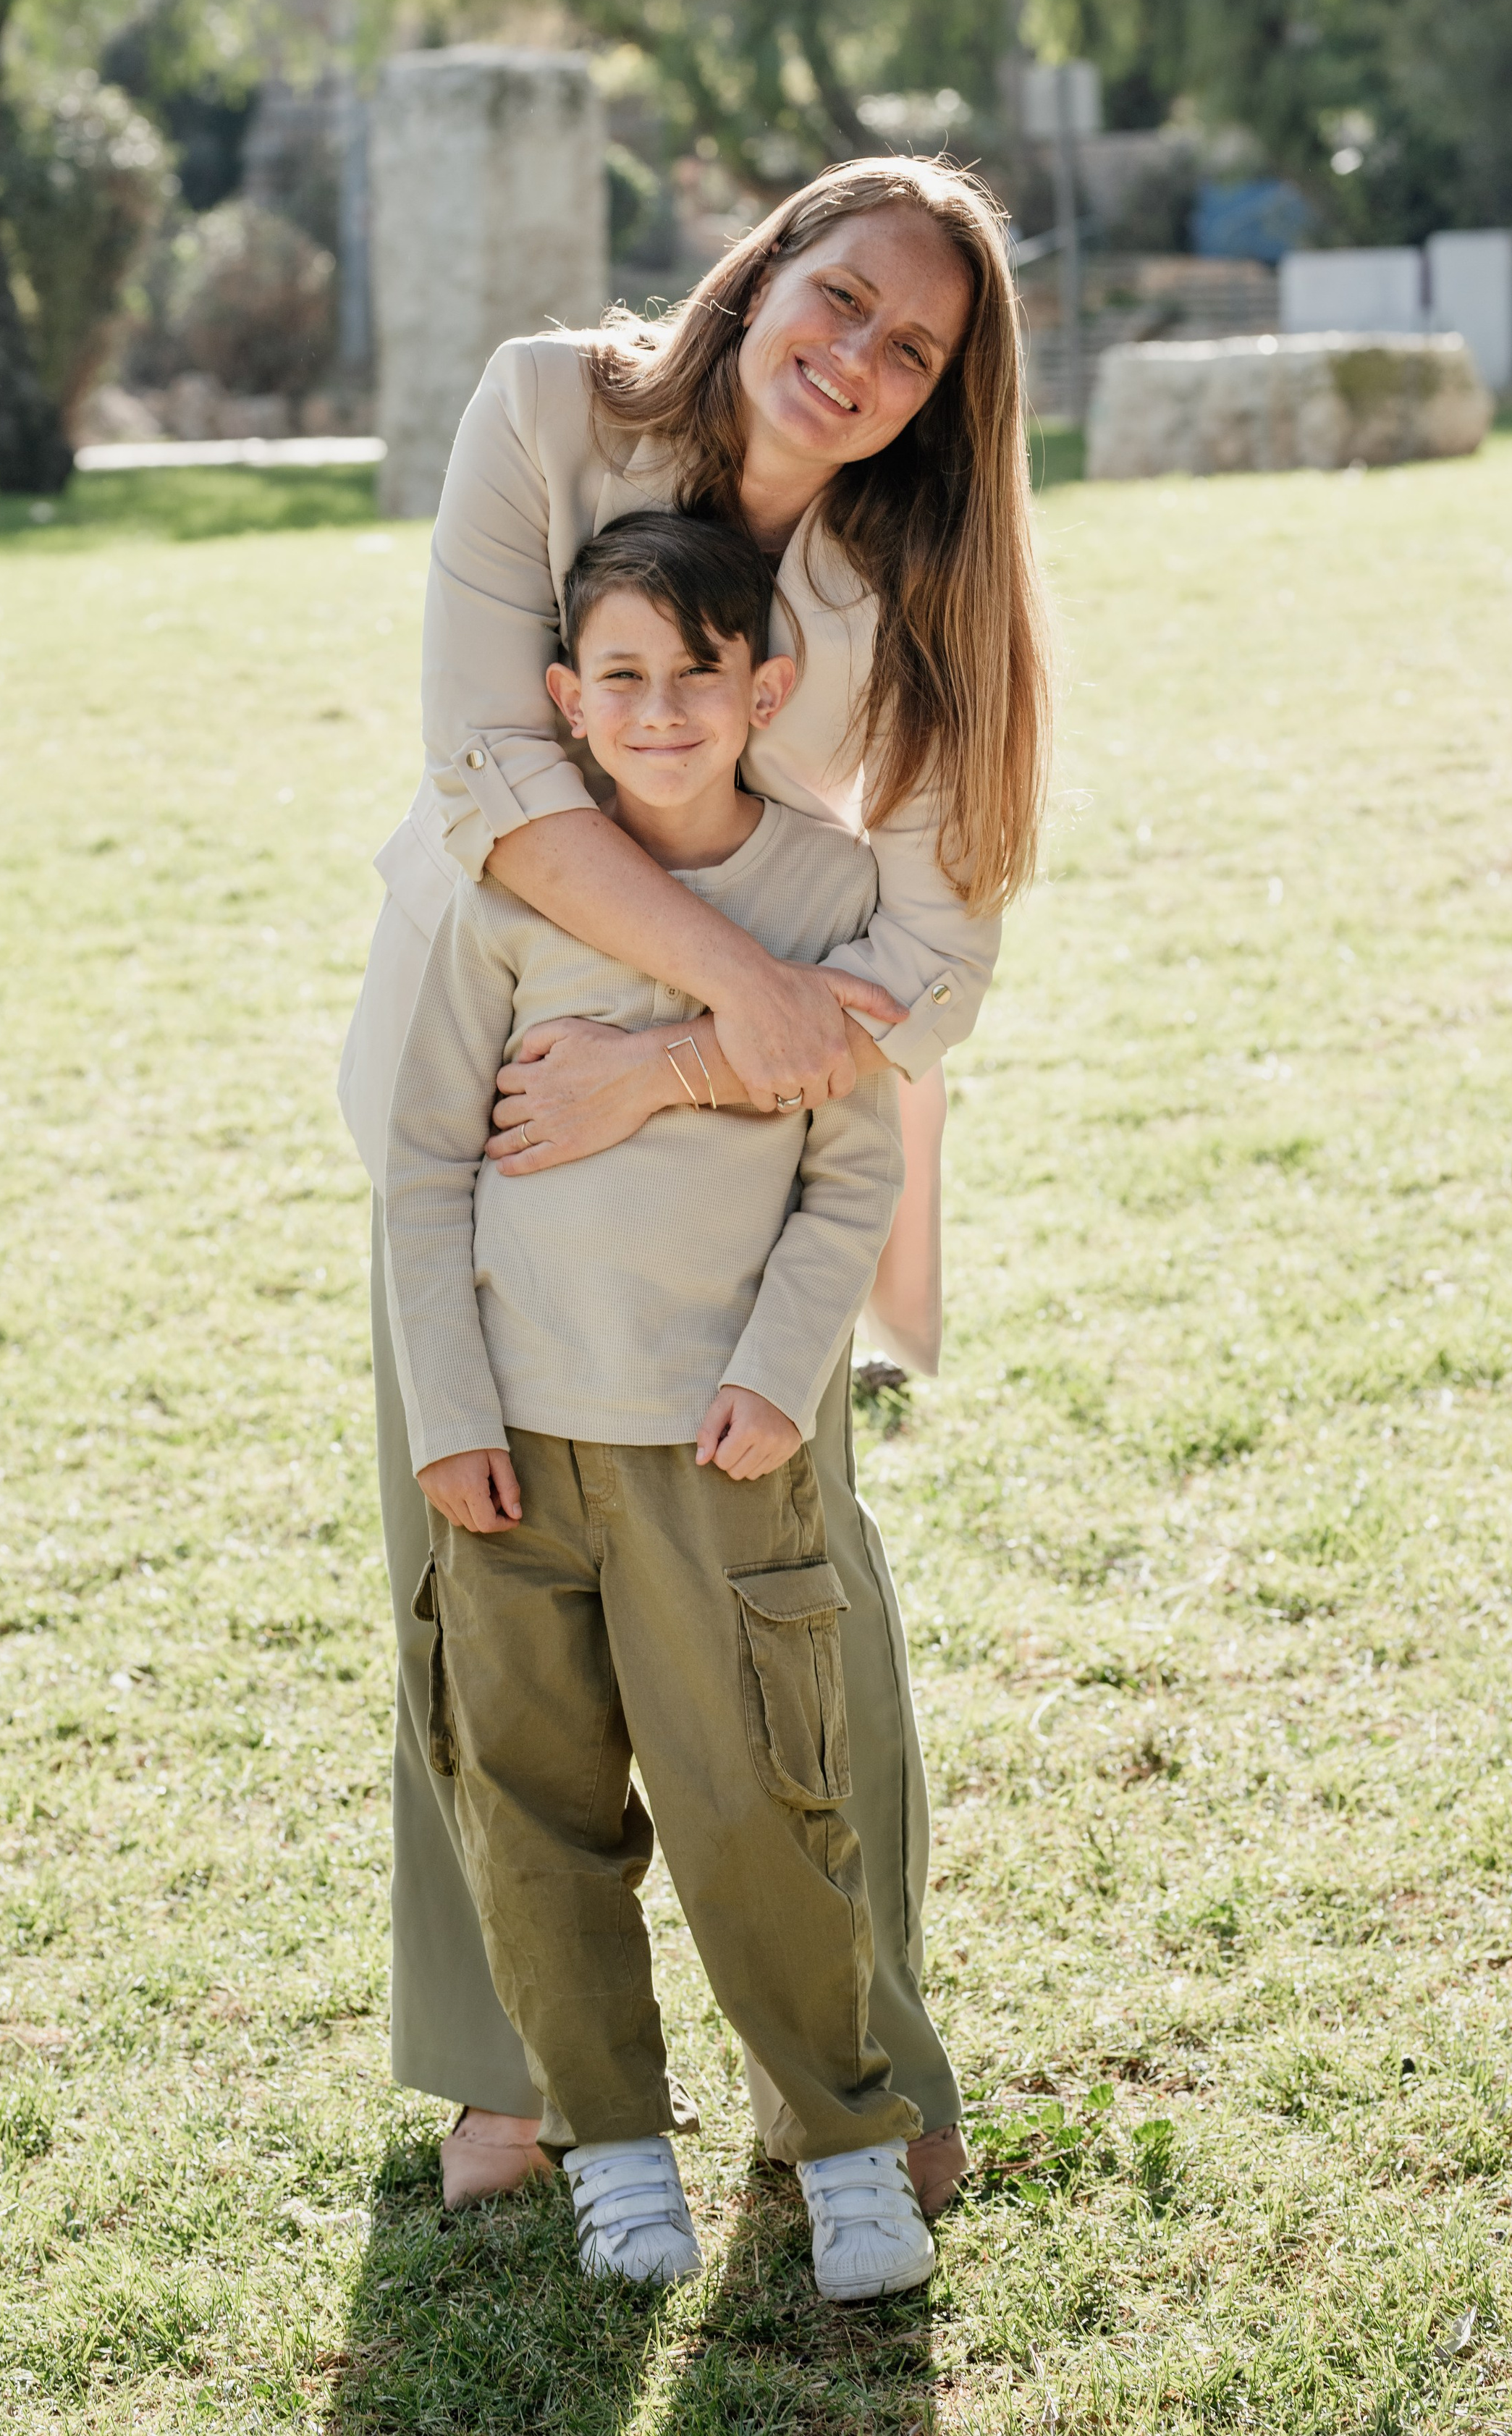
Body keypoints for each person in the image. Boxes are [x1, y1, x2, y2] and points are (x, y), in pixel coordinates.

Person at [338, 154, 1051, 2215]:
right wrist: (738, 985)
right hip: (473, 1110)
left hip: (729, 1176)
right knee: (474, 1591)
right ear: (765, 274)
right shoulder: (550, 410)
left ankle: (855, 2063)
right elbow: (494, 769)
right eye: (839, 297)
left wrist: (676, 1058)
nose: (857, 357)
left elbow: (931, 966)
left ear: (941, 400)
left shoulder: (925, 597)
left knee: (793, 1615)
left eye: (913, 349)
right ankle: (513, 2071)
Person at [387, 510, 935, 2298]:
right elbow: (420, 1168)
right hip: (515, 1447)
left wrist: (783, 1373)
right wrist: (450, 1410)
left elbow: (853, 1175)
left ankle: (846, 2137)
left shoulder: (825, 897)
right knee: (538, 1801)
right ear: (564, 696)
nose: (657, 706)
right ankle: (613, 2145)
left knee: (757, 1801)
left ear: (760, 686)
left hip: (718, 1442)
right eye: (616, 676)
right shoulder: (514, 893)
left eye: (695, 673)